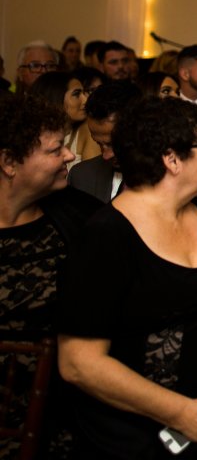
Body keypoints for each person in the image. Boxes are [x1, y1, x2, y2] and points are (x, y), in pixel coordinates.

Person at [57, 97, 197, 459]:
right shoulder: (106, 236)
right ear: (172, 159)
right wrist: (180, 413)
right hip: (141, 437)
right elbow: (78, 362)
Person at [0, 96, 100, 459]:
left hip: (67, 423)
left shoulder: (82, 218)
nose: (70, 156)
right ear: (9, 162)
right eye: (56, 149)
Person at [68, 81, 143, 203]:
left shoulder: (168, 177)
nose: (106, 155)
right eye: (98, 143)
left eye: (114, 144)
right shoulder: (81, 177)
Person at [28, 71, 98, 168]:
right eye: (76, 94)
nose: (85, 100)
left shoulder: (87, 130)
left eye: (84, 93)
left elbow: (91, 175)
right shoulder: (32, 135)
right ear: (56, 97)